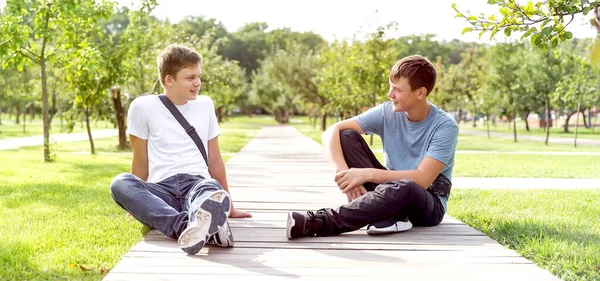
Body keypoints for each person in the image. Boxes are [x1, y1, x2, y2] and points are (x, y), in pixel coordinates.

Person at [286, 55, 458, 238]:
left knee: (407, 186)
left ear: (420, 93)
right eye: (391, 87)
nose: (390, 94)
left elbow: (422, 180)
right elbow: (330, 132)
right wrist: (344, 173)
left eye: (397, 90)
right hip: (388, 190)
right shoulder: (387, 112)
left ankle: (317, 222)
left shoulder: (445, 126)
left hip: (427, 203)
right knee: (345, 135)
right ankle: (392, 216)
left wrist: (366, 174)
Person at [110, 44, 251, 255]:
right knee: (120, 183)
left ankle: (194, 227)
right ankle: (194, 228)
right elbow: (140, 162)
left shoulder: (205, 105)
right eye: (190, 78)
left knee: (209, 191)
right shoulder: (142, 107)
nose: (198, 83)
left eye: (199, 76)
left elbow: (214, 160)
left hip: (197, 184)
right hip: (162, 191)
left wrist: (229, 205)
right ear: (169, 80)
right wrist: (136, 203)